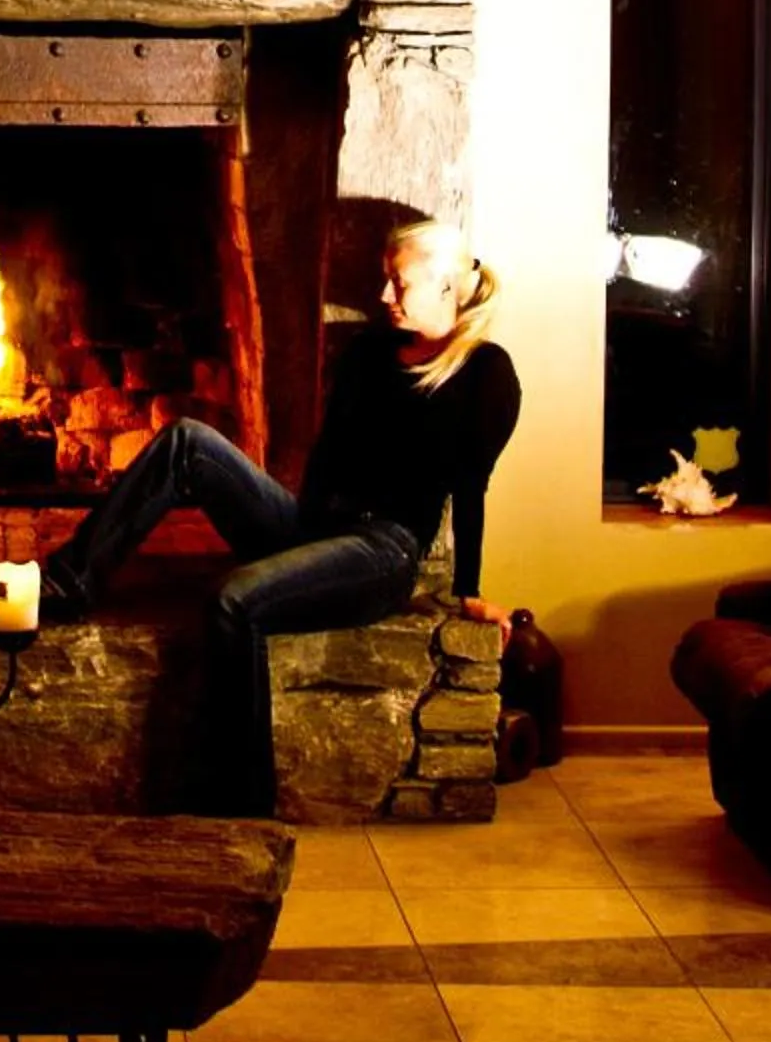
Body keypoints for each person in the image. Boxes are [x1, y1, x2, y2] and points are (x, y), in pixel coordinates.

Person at [39, 215, 521, 815]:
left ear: (446, 288)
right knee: (187, 440)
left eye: (398, 284)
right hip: (316, 526)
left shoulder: (486, 375)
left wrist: (468, 590)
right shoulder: (371, 352)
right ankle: (67, 582)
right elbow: (326, 455)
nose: (382, 297)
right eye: (384, 281)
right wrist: (291, 532)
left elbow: (471, 487)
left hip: (383, 550)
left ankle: (238, 796)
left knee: (233, 598)